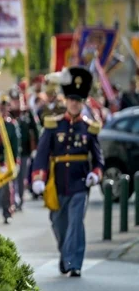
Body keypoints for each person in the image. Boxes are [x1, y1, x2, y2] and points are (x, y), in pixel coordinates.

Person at [32, 66, 103, 277]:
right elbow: (42, 155)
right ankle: (66, 254)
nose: (74, 103)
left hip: (80, 184)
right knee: (58, 224)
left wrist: (95, 174)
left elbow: (99, 159)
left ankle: (74, 264)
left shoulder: (89, 129)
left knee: (75, 224)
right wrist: (38, 178)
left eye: (78, 100)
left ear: (83, 103)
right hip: (57, 184)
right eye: (71, 99)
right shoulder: (53, 125)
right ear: (66, 100)